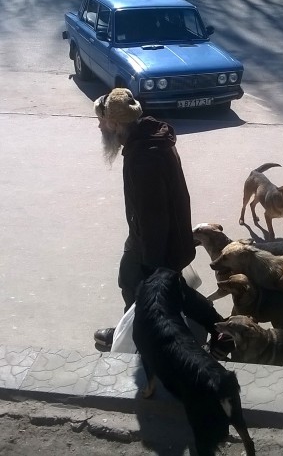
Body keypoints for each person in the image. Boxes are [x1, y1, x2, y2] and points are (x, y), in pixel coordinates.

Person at [92, 88, 224, 351]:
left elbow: (154, 215)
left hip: (156, 241)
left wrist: (153, 264)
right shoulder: (146, 138)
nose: (99, 126)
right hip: (153, 235)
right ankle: (130, 332)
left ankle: (140, 338)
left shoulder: (144, 157)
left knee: (141, 282)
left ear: (116, 123)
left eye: (102, 120)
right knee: (156, 285)